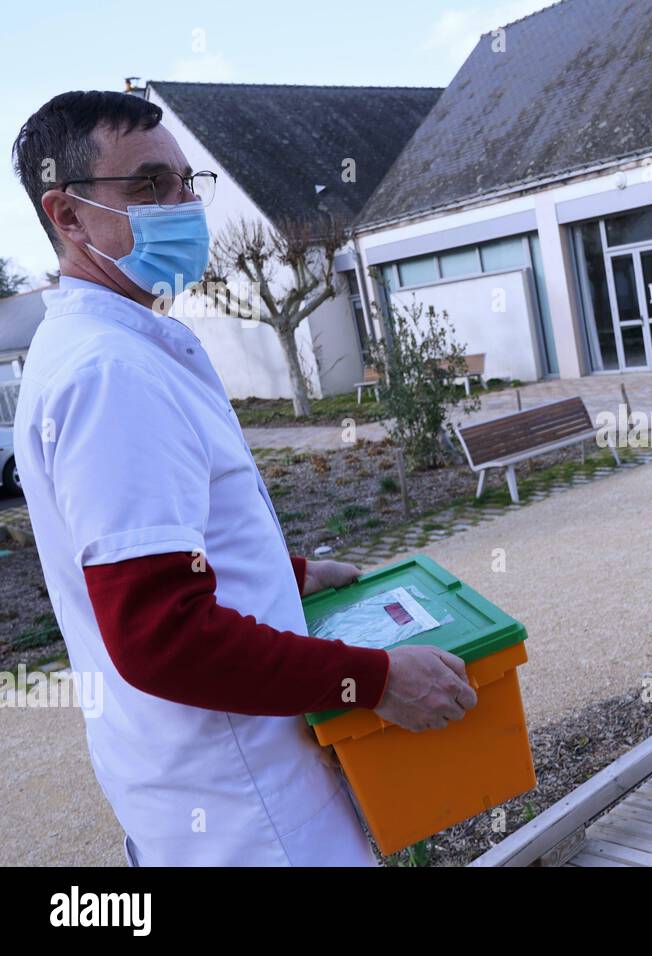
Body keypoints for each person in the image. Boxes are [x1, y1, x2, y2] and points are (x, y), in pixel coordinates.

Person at [10, 91, 477, 866]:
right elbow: (163, 637)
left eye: (189, 183)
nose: (184, 205)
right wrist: (374, 679)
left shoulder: (114, 345)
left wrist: (286, 574)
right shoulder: (109, 374)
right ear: (67, 215)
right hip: (246, 813)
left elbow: (156, 558)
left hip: (217, 787)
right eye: (151, 186)